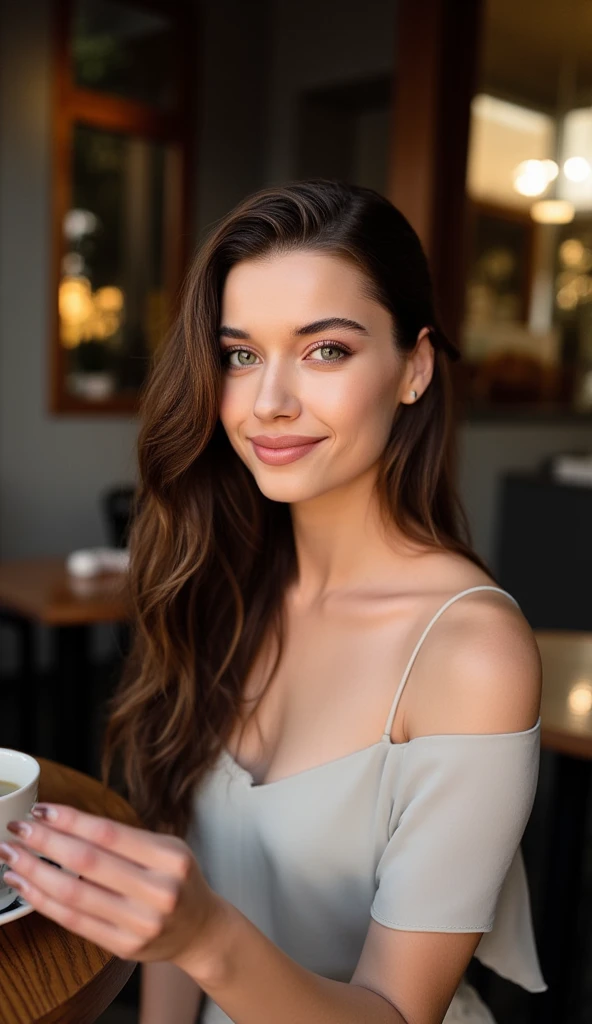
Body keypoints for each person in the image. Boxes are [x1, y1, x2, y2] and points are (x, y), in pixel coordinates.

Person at [0, 181, 547, 1024]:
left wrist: (203, 936)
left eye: (325, 350)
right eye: (241, 354)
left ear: (414, 368)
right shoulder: (219, 580)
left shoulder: (470, 654)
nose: (268, 402)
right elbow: (178, 901)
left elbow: (396, 1012)